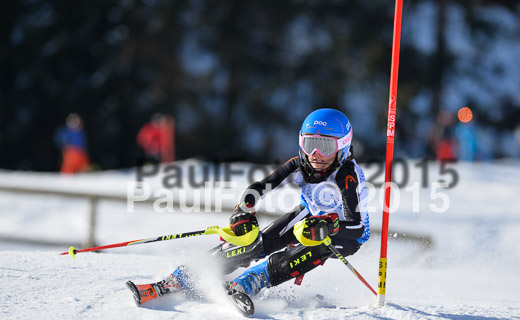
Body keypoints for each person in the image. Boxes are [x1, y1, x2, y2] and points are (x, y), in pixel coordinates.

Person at [128, 108, 370, 305]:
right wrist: (244, 208)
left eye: (325, 147)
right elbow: (262, 186)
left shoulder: (345, 175)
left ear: (343, 147)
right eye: (310, 145)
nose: (316, 154)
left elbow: (357, 227)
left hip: (345, 234)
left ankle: (254, 279)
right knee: (256, 241)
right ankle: (188, 274)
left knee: (315, 244)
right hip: (310, 216)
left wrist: (328, 227)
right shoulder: (302, 165)